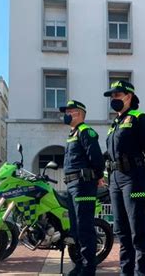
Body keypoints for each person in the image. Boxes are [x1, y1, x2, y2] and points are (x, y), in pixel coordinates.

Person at [104, 80, 145, 275]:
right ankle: (125, 272)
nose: (113, 99)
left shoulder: (139, 118)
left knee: (139, 233)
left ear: (129, 96)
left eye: (117, 95)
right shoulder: (115, 123)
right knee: (122, 232)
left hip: (134, 179)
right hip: (115, 181)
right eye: (112, 96)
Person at [60, 100, 105, 276]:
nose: (65, 114)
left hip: (83, 185)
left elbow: (96, 158)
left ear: (78, 113)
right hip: (72, 185)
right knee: (75, 228)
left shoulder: (86, 132)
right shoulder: (73, 134)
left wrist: (98, 176)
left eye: (69, 111)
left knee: (84, 227)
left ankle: (88, 268)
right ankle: (79, 264)